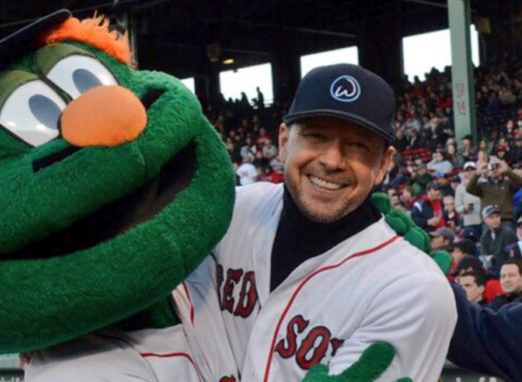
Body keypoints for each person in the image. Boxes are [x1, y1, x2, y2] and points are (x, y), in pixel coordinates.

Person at [201, 64, 455, 381]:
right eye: (316, 136)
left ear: (383, 164)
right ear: (283, 141)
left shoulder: (412, 290)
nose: (331, 161)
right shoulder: (228, 214)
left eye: (357, 145)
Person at [467, 158, 522, 229]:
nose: (494, 169)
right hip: (488, 220)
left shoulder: (508, 184)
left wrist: (508, 171)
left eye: (497, 166)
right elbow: (469, 189)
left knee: (509, 237)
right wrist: (477, 174)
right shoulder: (482, 185)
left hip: (506, 219)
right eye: (491, 167)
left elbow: (520, 183)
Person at [479, 205, 517, 276]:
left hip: (507, 268)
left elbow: (509, 256)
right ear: (485, 220)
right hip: (492, 269)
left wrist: (492, 258)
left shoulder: (507, 232)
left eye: (497, 216)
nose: (495, 220)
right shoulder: (484, 237)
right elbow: (484, 257)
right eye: (491, 217)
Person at [454, 162, 482, 240]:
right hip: (470, 221)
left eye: (472, 169)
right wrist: (464, 208)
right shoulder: (460, 187)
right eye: (467, 170)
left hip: (485, 220)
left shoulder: (483, 182)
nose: (470, 172)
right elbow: (457, 207)